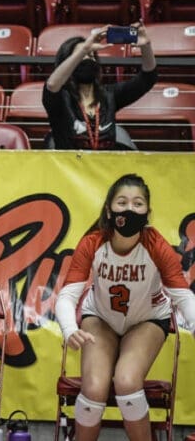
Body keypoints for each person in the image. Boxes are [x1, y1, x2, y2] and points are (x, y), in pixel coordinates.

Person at [55, 173, 195, 441]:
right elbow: (67, 296)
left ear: (147, 212)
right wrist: (69, 328)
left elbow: (183, 297)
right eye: (122, 202)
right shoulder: (93, 242)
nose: (130, 209)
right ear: (109, 209)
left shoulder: (156, 246)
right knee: (93, 388)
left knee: (127, 382)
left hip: (147, 320)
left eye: (138, 204)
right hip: (101, 318)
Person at [44, 23, 158, 150]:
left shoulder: (109, 95)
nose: (88, 59)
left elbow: (148, 78)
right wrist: (84, 49)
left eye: (92, 55)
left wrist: (146, 46)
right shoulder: (60, 98)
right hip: (69, 168)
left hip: (106, 167)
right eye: (82, 56)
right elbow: (52, 84)